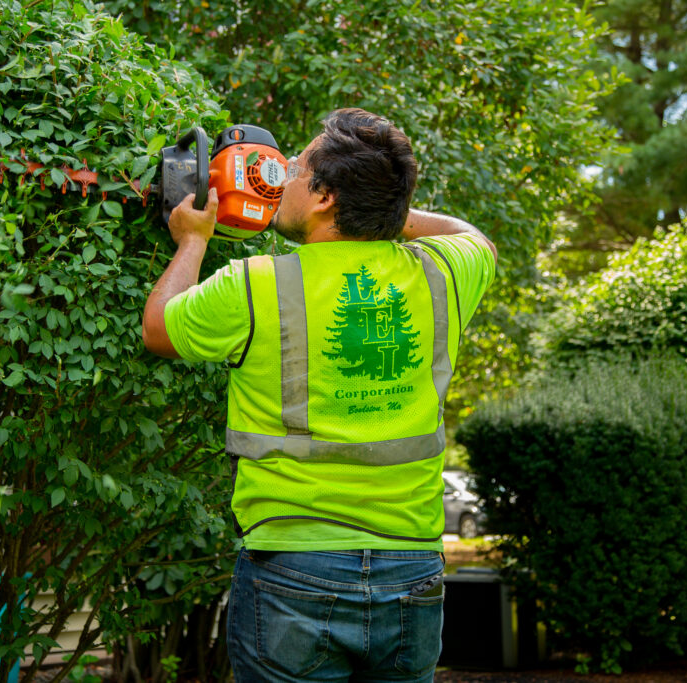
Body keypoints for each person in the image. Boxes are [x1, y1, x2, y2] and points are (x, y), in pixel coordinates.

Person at [142, 107, 497, 682]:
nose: (280, 176)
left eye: (296, 170)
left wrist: (192, 240)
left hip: (292, 569)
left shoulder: (256, 283)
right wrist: (384, 212)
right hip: (413, 572)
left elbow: (158, 329)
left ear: (327, 197)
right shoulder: (445, 275)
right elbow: (473, 237)